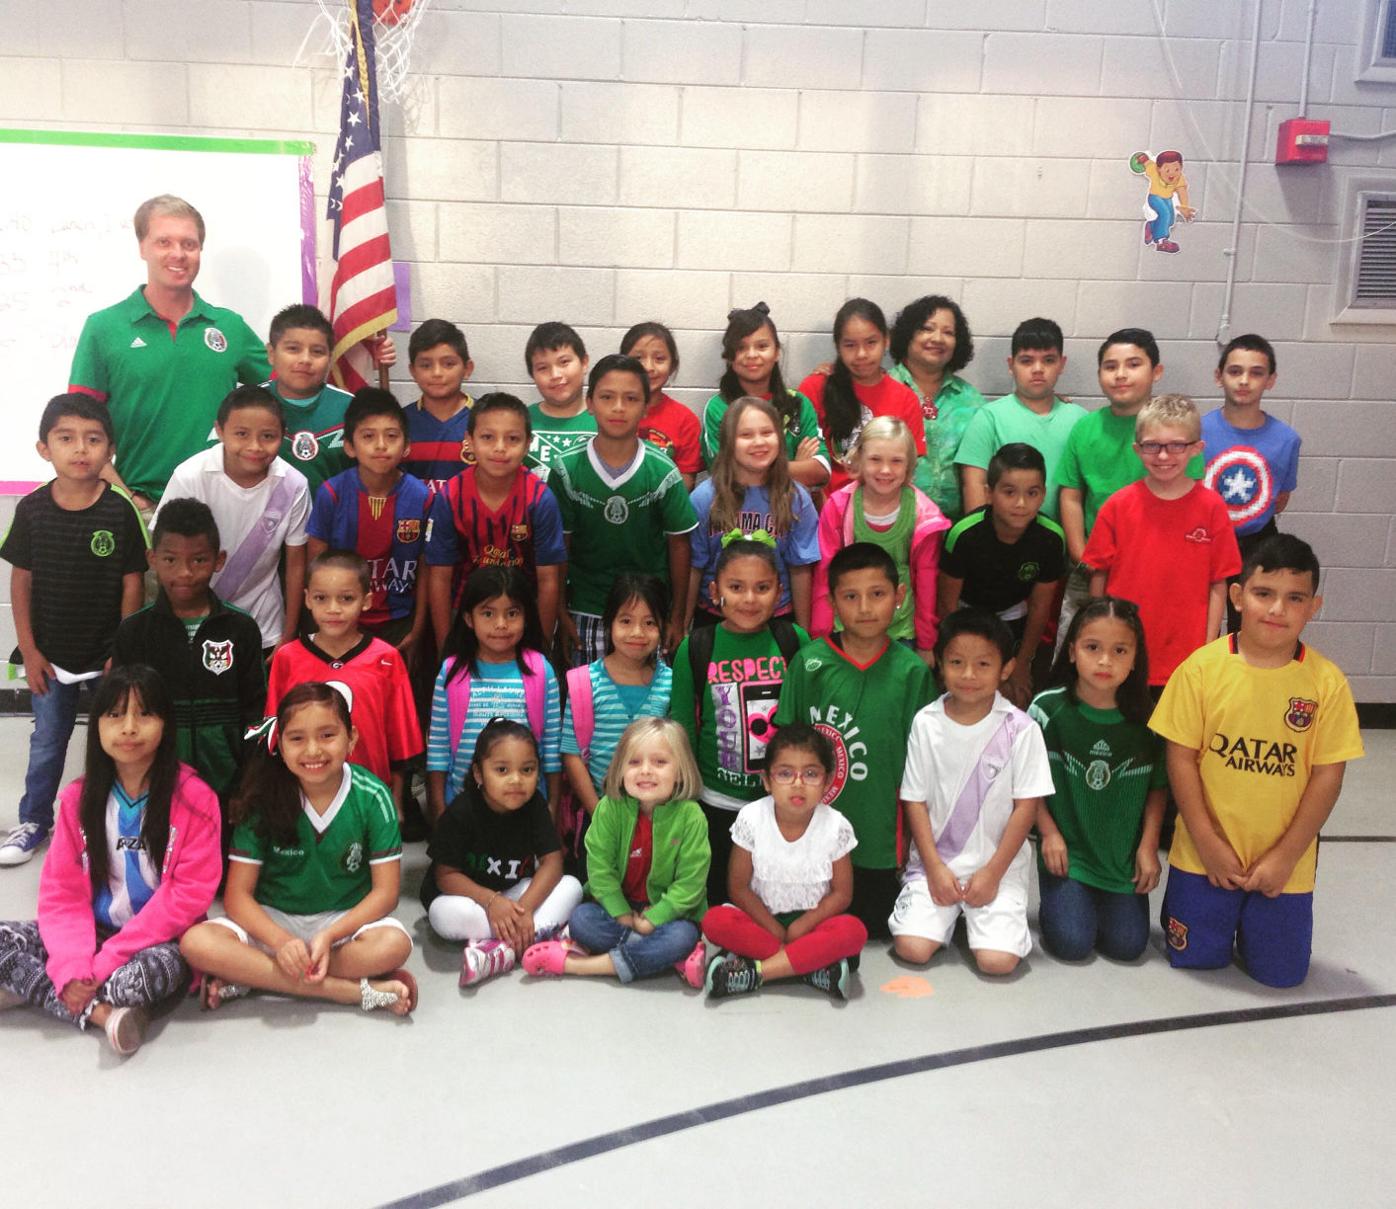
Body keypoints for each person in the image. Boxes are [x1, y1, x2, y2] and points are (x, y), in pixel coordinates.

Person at [1150, 535, 1363, 987]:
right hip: (1204, 855)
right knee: (1196, 961)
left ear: (1314, 606)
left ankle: (1258, 922)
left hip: (1283, 863)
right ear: (1237, 596)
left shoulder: (1327, 683)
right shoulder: (1201, 669)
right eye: (1264, 593)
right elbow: (1181, 759)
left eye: (1295, 598)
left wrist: (1285, 858)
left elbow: (1328, 776)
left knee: (1281, 976)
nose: (1277, 610)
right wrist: (1208, 844)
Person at [0, 666, 221, 1054]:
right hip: (94, 932)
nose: (129, 727)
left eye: (145, 714)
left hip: (161, 942)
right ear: (97, 725)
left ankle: (37, 988)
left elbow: (186, 898)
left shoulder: (195, 799)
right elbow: (63, 895)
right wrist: (72, 962)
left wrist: (102, 964)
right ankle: (102, 1014)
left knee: (127, 984)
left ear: (166, 724)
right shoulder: (78, 800)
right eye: (115, 714)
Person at [180, 682, 416, 1014]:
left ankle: (256, 975)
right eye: (297, 738)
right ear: (280, 743)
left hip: (342, 924)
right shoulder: (262, 796)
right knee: (196, 943)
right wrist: (282, 942)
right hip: (273, 922)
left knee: (394, 945)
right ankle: (346, 992)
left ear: (352, 738)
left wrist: (330, 935)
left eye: (327, 735)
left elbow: (386, 893)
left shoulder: (373, 796)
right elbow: (237, 896)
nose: (313, 751)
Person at [0, 395, 148, 868]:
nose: (80, 449)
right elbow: (19, 581)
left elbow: (133, 584)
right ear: (45, 449)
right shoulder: (32, 509)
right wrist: (29, 648)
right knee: (47, 740)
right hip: (49, 656)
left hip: (107, 658)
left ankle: (105, 823)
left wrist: (121, 653)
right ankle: (33, 820)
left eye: (93, 439)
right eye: (66, 439)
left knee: (113, 742)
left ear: (110, 451)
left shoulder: (120, 512)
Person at [774, 543, 937, 938]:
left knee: (872, 929)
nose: (864, 607)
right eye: (850, 596)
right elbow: (783, 751)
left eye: (877, 594)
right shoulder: (809, 663)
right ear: (831, 602)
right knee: (801, 922)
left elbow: (924, 766)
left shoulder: (912, 672)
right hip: (811, 838)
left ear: (900, 598)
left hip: (879, 842)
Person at [68, 195, 268, 512]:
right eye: (164, 242)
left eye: (189, 244)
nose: (178, 254)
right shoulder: (103, 328)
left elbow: (293, 386)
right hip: (138, 506)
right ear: (142, 247)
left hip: (221, 507)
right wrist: (126, 500)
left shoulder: (229, 327)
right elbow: (79, 429)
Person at [890, 609, 1054, 976]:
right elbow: (914, 799)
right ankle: (952, 916)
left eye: (983, 664)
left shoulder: (1021, 729)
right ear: (941, 663)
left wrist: (993, 873)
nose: (968, 675)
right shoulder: (926, 723)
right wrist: (933, 868)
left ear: (1006, 668)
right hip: (938, 865)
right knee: (912, 949)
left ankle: (977, 919)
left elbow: (1027, 807)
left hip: (996, 867)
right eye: (957, 662)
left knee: (997, 962)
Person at [521, 719, 710, 988]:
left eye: (659, 762)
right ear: (620, 769)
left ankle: (578, 965)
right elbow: (599, 871)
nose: (645, 771)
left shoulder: (692, 817)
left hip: (670, 914)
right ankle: (665, 957)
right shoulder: (609, 809)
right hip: (617, 909)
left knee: (682, 935)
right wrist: (622, 914)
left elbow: (691, 884)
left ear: (680, 772)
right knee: (581, 921)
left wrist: (654, 919)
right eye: (634, 762)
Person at [672, 536, 809, 905]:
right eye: (737, 587)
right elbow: (683, 725)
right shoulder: (696, 646)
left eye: (762, 588)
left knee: (772, 899)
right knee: (720, 900)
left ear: (780, 591)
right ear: (716, 591)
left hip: (778, 804)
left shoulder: (794, 640)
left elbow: (806, 724)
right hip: (716, 802)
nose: (750, 599)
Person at [1030, 598, 1166, 962]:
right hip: (1067, 854)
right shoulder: (1046, 710)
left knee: (1128, 946)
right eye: (1093, 648)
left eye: (1119, 650)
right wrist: (1049, 833)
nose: (1105, 661)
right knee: (1073, 944)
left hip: (1119, 857)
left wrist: (1148, 847)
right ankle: (1065, 900)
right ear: (1072, 651)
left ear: (1135, 658)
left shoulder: (1149, 723)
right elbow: (1026, 784)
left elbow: (1157, 790)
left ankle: (1100, 900)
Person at [113, 499, 266, 819]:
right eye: (170, 559)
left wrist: (248, 785)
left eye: (198, 560)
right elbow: (122, 716)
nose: (184, 573)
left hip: (227, 788)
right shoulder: (134, 632)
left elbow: (255, 713)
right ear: (152, 559)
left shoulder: (241, 629)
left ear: (218, 560)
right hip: (154, 785)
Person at [1082, 395, 1240, 690]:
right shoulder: (1117, 506)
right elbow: (1099, 577)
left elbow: (1219, 584)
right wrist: (1100, 639)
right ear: (1137, 449)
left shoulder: (1212, 508)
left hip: (1186, 659)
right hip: (1123, 655)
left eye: (1176, 445)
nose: (1163, 456)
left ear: (1196, 449)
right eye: (1152, 445)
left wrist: (1208, 648)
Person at [1057, 329, 1201, 648]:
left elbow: (1190, 503)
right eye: (1110, 366)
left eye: (1133, 364)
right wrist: (1084, 556)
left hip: (1153, 572)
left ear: (1156, 372)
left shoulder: (1175, 430)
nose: (1121, 374)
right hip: (1092, 568)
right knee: (1077, 659)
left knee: (1143, 658)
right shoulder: (1085, 428)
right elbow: (1071, 495)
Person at [549, 354, 698, 663]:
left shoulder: (663, 472)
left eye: (630, 398)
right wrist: (560, 613)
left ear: (645, 407)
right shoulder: (566, 469)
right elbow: (559, 548)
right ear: (590, 403)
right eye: (607, 397)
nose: (618, 407)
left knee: (650, 707)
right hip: (586, 609)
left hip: (648, 614)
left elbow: (680, 547)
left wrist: (676, 616)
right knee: (589, 704)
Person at [701, 724, 866, 1001]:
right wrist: (774, 927)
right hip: (762, 922)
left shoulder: (836, 825)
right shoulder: (751, 818)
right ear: (767, 780)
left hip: (813, 925)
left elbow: (842, 893)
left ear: (827, 782)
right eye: (785, 773)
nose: (798, 783)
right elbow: (738, 887)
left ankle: (756, 972)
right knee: (715, 920)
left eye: (811, 774)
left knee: (853, 932)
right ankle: (811, 966)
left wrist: (803, 925)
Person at [422, 719, 583, 987]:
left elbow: (552, 862)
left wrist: (526, 909)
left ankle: (499, 950)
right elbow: (445, 876)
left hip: (516, 898)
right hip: (473, 900)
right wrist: (491, 901)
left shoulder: (535, 806)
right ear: (478, 774)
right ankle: (534, 936)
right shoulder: (462, 812)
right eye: (502, 770)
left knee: (572, 886)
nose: (516, 780)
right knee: (442, 914)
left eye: (527, 769)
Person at [266, 550, 422, 816]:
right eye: (321, 598)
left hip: (370, 798)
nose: (333, 608)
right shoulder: (287, 657)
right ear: (307, 599)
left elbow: (400, 741)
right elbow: (273, 736)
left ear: (366, 601)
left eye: (346, 598)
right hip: (303, 796)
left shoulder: (386, 658)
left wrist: (396, 802)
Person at [160, 384, 310, 652]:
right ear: (220, 431)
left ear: (282, 436)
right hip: (194, 621)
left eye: (268, 436)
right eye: (241, 434)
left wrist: (288, 636)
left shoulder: (293, 485)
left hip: (264, 627)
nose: (254, 446)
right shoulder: (190, 476)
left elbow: (296, 564)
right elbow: (166, 554)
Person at [423, 392, 566, 652]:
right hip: (464, 613)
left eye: (512, 439)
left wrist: (542, 648)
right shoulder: (451, 496)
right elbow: (440, 577)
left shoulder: (540, 499)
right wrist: (446, 648)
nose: (500, 447)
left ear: (527, 444)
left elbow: (548, 580)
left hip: (523, 613)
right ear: (469, 441)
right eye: (488, 437)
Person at [425, 566, 561, 826]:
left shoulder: (540, 671)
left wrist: (552, 806)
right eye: (488, 613)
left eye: (512, 613)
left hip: (527, 807)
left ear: (526, 617)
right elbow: (439, 748)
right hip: (463, 808)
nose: (501, 625)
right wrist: (440, 809)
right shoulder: (452, 673)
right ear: (468, 618)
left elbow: (552, 747)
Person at [811, 417, 949, 664]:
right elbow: (825, 574)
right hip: (846, 629)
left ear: (909, 466)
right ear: (860, 460)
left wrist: (927, 643)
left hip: (900, 630)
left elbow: (927, 582)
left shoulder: (923, 515)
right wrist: (820, 635)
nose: (885, 470)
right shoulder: (839, 507)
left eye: (896, 461)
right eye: (876, 460)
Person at [938, 443, 1066, 707]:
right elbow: (947, 605)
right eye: (1009, 492)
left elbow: (1041, 607)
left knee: (1014, 695)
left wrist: (1021, 665)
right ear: (989, 493)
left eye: (1032, 493)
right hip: (966, 617)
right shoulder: (964, 534)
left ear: (1043, 495)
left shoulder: (1051, 539)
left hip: (1013, 620)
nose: (1021, 504)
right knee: (964, 692)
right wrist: (951, 656)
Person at [306, 388, 432, 656]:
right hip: (342, 621)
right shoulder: (331, 494)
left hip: (399, 622)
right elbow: (315, 567)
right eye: (368, 436)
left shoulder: (422, 497)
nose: (381, 445)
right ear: (350, 446)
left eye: (391, 436)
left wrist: (417, 628)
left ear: (407, 445)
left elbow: (426, 569)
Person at [560, 575, 673, 866]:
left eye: (649, 623)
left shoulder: (671, 683)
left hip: (659, 820)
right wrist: (598, 812)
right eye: (625, 621)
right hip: (599, 814)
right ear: (608, 624)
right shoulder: (584, 682)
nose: (637, 632)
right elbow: (572, 755)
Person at [688, 395, 819, 631]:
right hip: (714, 618)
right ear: (728, 443)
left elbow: (800, 570)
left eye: (767, 433)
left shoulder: (796, 499)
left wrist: (803, 631)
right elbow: (694, 567)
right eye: (746, 435)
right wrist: (681, 623)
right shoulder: (704, 498)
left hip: (777, 618)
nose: (759, 442)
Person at [1201, 334, 1301, 632]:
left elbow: (1281, 497)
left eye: (1256, 373)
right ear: (1219, 377)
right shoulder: (1196, 429)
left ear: (1271, 380)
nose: (1244, 381)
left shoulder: (1286, 439)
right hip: (1202, 539)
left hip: (1257, 544)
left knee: (1248, 629)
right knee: (1198, 625)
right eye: (1235, 371)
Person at [956, 317, 1084, 520]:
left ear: (1062, 364)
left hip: (1061, 544)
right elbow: (975, 486)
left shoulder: (1080, 419)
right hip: (998, 543)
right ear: (1011, 364)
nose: (1038, 369)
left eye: (1049, 360)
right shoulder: (989, 418)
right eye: (1027, 360)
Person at [799, 298, 926, 495]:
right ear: (838, 346)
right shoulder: (815, 388)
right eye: (850, 345)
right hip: (822, 511)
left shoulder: (905, 399)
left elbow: (906, 470)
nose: (861, 354)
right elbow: (803, 460)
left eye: (871, 343)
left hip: (880, 510)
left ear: (886, 341)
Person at [701, 303, 830, 490]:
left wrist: (752, 467)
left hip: (791, 512)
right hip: (736, 512)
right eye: (741, 348)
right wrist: (795, 468)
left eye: (762, 346)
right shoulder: (717, 408)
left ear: (777, 352)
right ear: (729, 356)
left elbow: (821, 471)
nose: (752, 355)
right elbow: (726, 474)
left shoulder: (798, 404)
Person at [888, 295, 986, 520]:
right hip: (891, 526)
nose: (937, 338)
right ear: (907, 335)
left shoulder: (971, 401)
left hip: (953, 530)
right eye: (927, 328)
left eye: (948, 332)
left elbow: (981, 476)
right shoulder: (883, 389)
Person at [257, 304, 358, 498]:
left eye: (317, 352)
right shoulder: (247, 405)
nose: (305, 359)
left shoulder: (351, 409)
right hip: (260, 526)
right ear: (271, 354)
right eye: (293, 349)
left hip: (333, 524)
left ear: (330, 358)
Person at [621, 321, 702, 490]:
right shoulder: (609, 412)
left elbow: (685, 483)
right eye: (638, 358)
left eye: (659, 359)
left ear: (672, 365)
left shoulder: (685, 420)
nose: (648, 367)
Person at [403, 318, 475, 489]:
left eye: (448, 364)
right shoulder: (399, 422)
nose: (436, 373)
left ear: (467, 369)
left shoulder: (486, 419)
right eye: (426, 365)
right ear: (413, 371)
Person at [523, 321, 593, 479]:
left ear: (584, 363)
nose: (555, 375)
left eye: (564, 362)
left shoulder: (606, 420)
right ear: (532, 375)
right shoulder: (521, 421)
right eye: (542, 368)